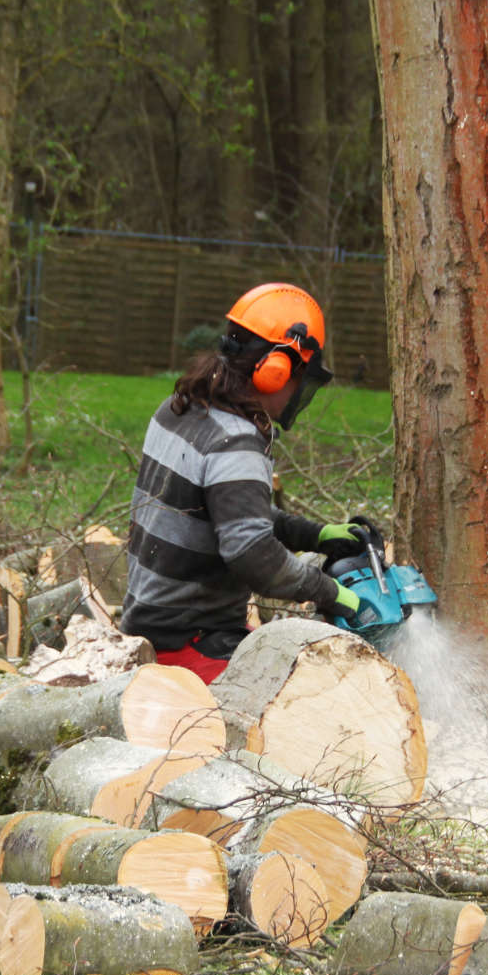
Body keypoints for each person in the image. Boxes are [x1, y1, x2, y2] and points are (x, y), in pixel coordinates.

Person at [120, 281, 366, 684]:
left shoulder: (182, 408)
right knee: (317, 690)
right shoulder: (236, 441)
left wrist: (315, 535)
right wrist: (331, 593)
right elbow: (254, 555)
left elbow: (226, 511)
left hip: (154, 624)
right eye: (300, 377)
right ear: (276, 370)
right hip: (187, 644)